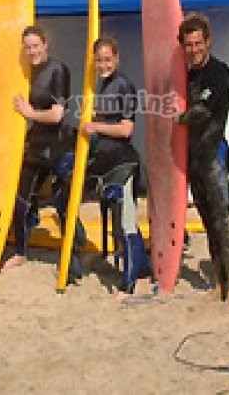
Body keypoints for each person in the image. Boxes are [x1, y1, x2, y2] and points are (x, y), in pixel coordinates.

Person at [3, 25, 85, 277]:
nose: (32, 51)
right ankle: (20, 252)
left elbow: (57, 114)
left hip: (58, 145)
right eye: (27, 47)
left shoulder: (58, 70)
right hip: (37, 145)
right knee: (20, 202)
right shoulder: (27, 72)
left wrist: (30, 114)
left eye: (36, 46)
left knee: (63, 205)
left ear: (45, 44)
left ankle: (73, 259)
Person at [177, 13, 229, 304]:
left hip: (214, 155)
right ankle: (219, 282)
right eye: (188, 45)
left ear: (208, 42)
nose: (193, 49)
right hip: (195, 159)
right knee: (207, 221)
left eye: (198, 43)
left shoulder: (217, 74)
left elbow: (201, 112)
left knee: (223, 222)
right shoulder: (186, 75)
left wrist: (174, 117)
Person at [82, 36, 151, 295]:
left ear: (117, 58)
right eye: (99, 60)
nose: (103, 65)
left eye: (107, 59)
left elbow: (125, 129)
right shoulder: (103, 85)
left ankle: (130, 284)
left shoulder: (124, 86)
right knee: (116, 220)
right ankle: (141, 270)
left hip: (124, 163)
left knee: (127, 222)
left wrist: (94, 126)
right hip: (107, 163)